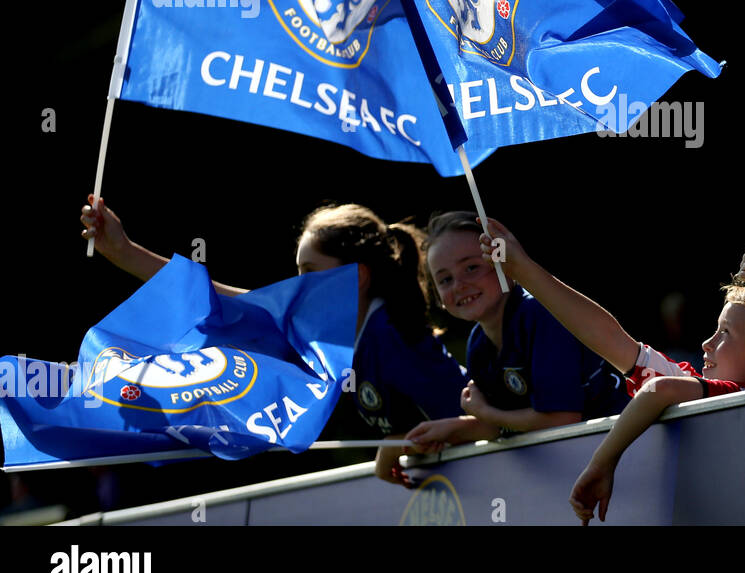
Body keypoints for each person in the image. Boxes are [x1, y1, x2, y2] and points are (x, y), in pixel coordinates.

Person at [446, 218, 745, 524]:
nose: (706, 344)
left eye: (724, 334)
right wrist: (524, 269)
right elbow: (610, 339)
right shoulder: (700, 383)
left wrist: (601, 464)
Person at [78, 195, 467, 484]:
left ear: (357, 277)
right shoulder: (332, 337)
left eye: (310, 272)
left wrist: (398, 442)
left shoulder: (391, 337)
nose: (297, 286)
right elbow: (220, 301)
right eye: (297, 272)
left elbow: (467, 419)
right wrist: (124, 251)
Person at [400, 212, 628, 474]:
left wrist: (485, 413)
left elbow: (561, 420)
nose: (459, 285)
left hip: (630, 451)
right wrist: (450, 430)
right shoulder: (478, 344)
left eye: (471, 267)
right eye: (445, 280)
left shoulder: (540, 314)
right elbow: (504, 425)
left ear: (503, 262)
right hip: (582, 466)